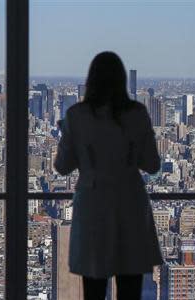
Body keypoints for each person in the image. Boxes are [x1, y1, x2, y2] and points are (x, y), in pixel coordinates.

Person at [54, 52, 163, 300]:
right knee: (129, 287)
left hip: (93, 203)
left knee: (93, 288)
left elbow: (62, 166)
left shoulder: (77, 116)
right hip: (130, 203)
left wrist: (68, 134)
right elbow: (152, 164)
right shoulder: (137, 113)